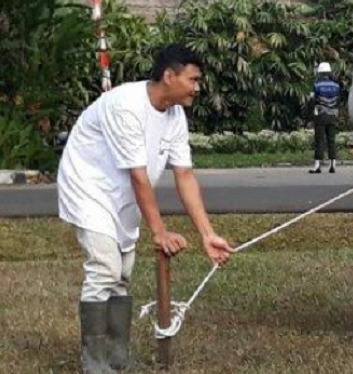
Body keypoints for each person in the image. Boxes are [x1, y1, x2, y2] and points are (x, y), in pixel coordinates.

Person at [57, 44, 233, 373]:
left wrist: (208, 235)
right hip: (88, 188)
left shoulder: (175, 116)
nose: (197, 87)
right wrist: (159, 232)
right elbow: (139, 176)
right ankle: (94, 361)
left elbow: (184, 176)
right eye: (193, 79)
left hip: (122, 195)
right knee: (105, 269)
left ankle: (117, 356)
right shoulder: (126, 105)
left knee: (122, 274)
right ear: (169, 76)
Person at [309, 61, 341, 174]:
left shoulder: (316, 85)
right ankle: (333, 164)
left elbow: (312, 100)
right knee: (331, 140)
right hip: (333, 115)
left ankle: (317, 165)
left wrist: (311, 113)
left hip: (320, 115)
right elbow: (338, 100)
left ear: (320, 73)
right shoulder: (336, 86)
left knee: (319, 140)